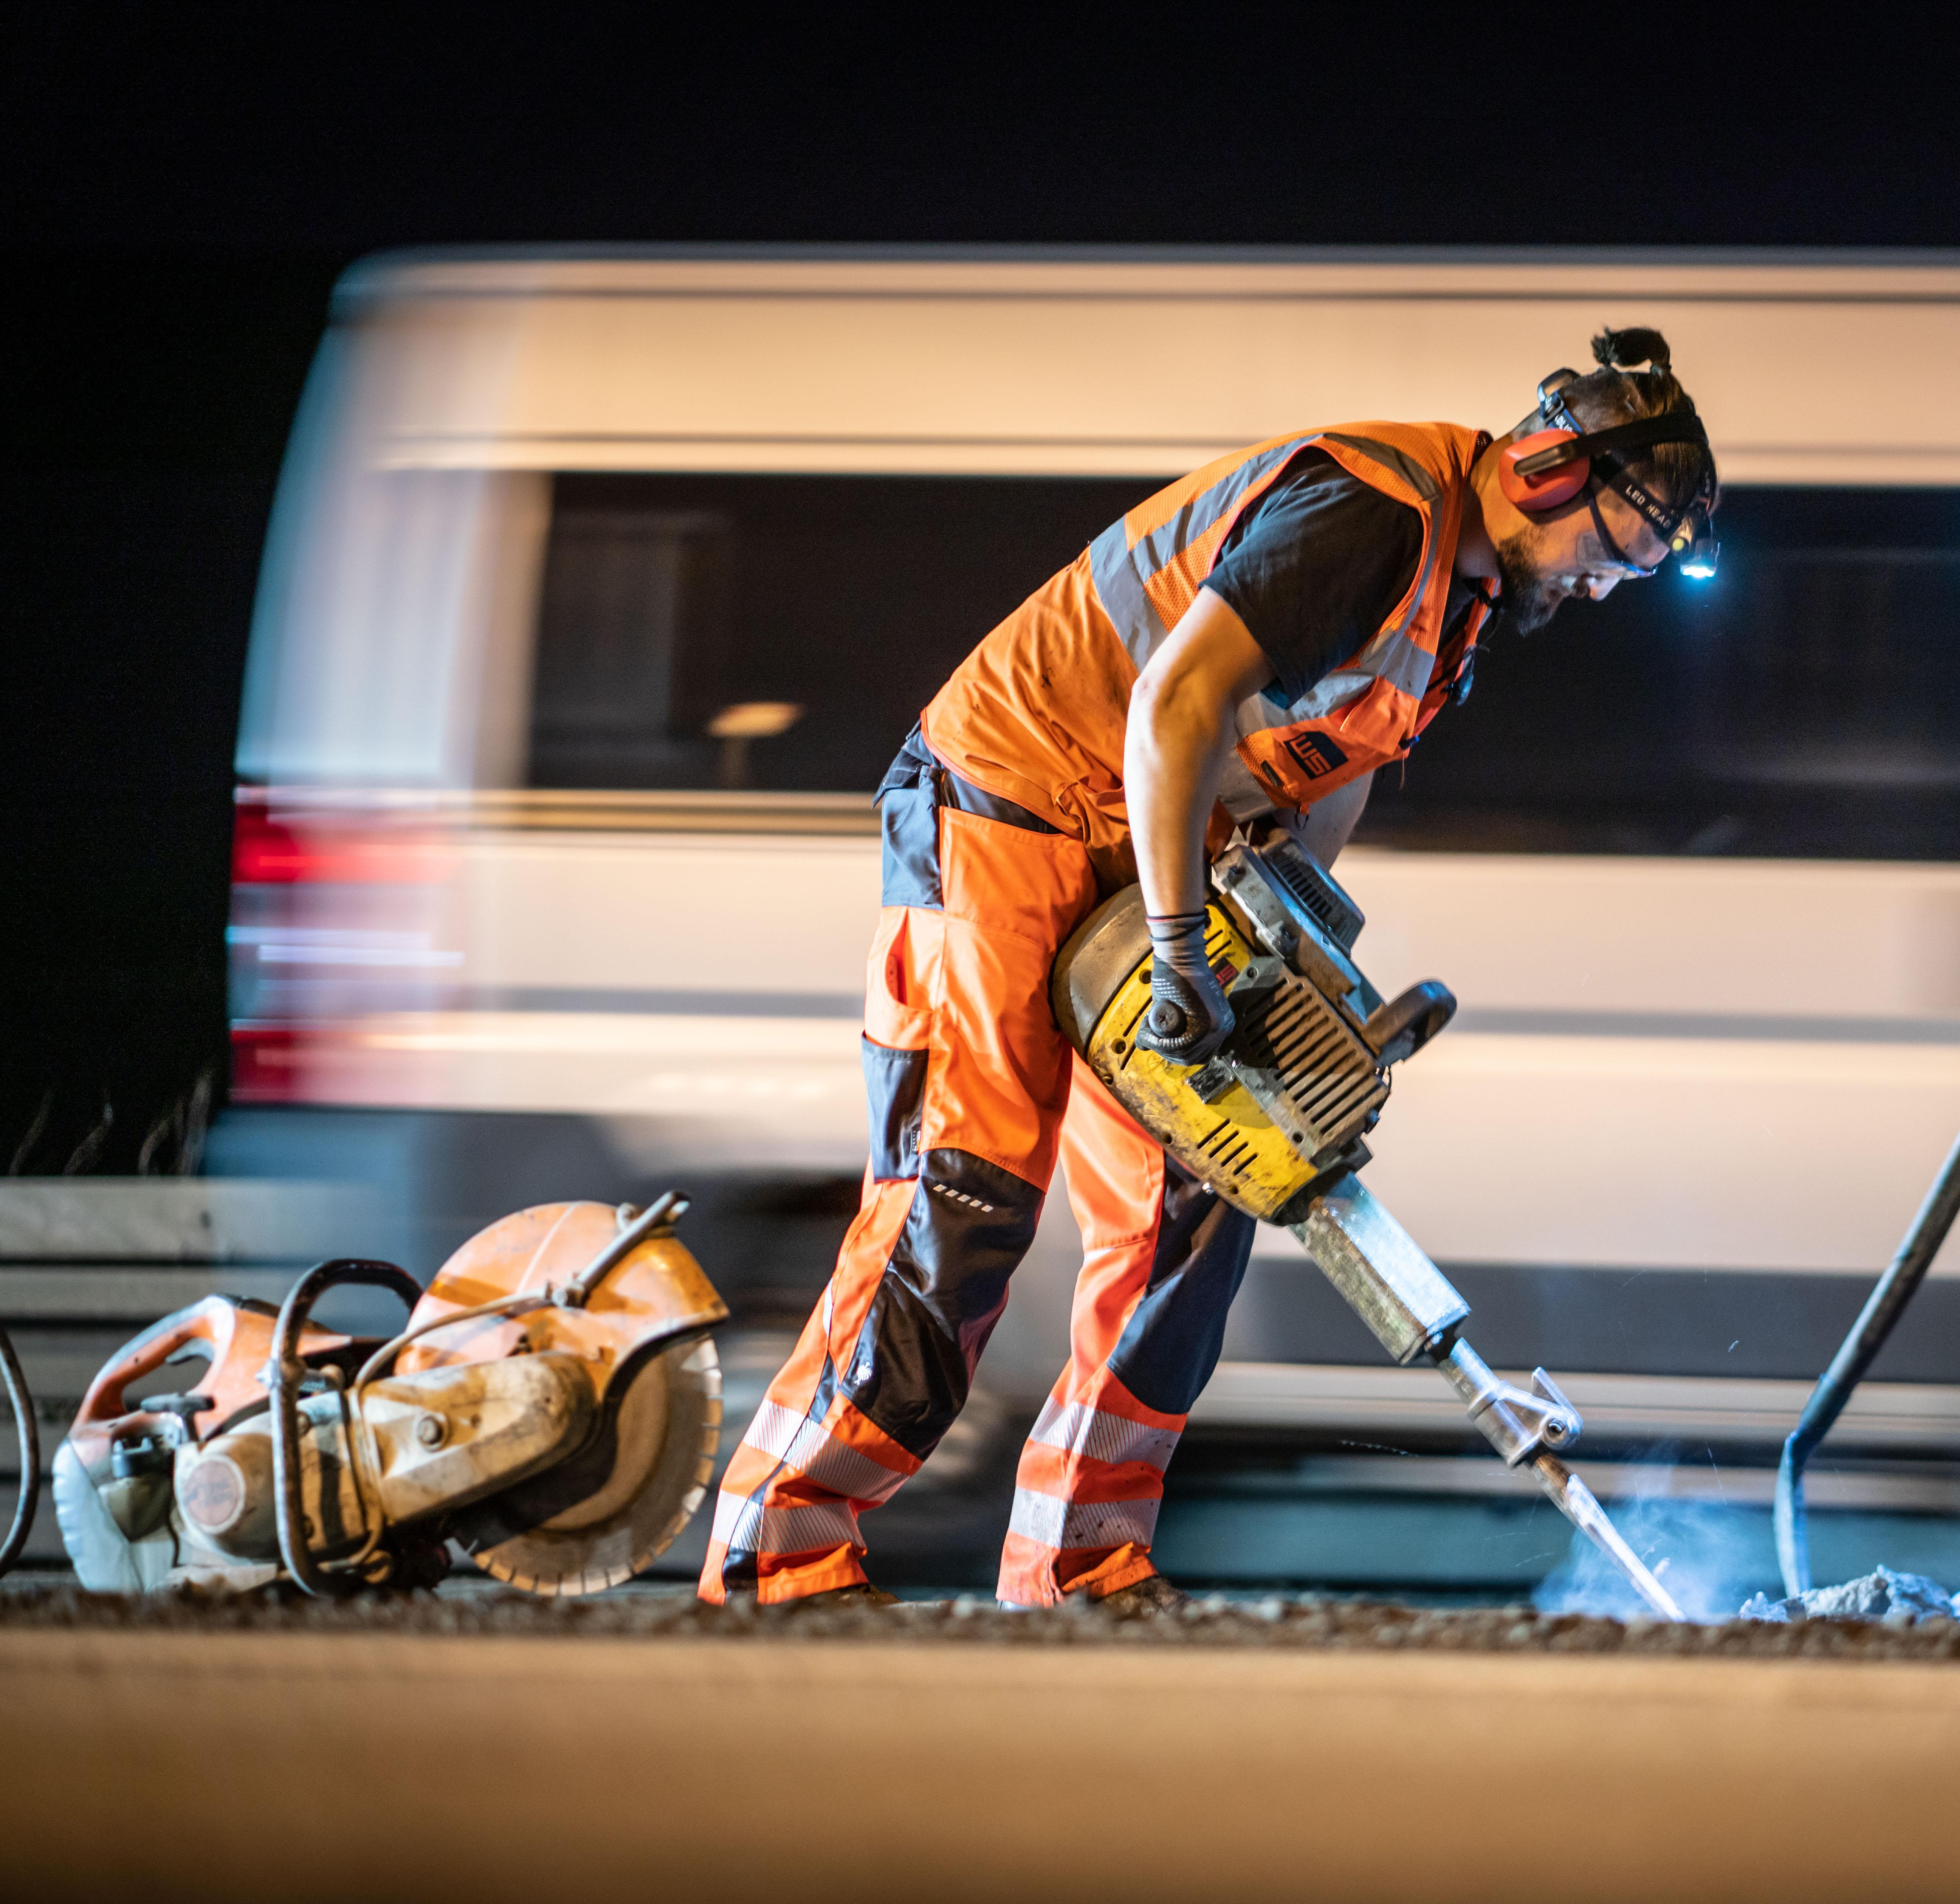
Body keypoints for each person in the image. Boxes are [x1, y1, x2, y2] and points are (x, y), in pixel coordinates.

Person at [700, 329, 1720, 1610]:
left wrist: (1284, 974)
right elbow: (1174, 704)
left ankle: (1079, 1564)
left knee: (1194, 1203)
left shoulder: (1458, 612)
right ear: (1553, 470)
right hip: (1013, 802)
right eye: (1623, 551)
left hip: (1155, 851)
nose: (1607, 589)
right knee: (960, 1198)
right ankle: (774, 1554)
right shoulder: (1367, 514)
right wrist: (1184, 950)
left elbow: (1310, 792)